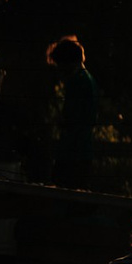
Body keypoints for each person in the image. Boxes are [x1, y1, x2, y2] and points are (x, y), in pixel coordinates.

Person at [48, 36, 100, 189]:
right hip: (82, 151)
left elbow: (72, 120)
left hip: (73, 154)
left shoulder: (78, 82)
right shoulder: (87, 79)